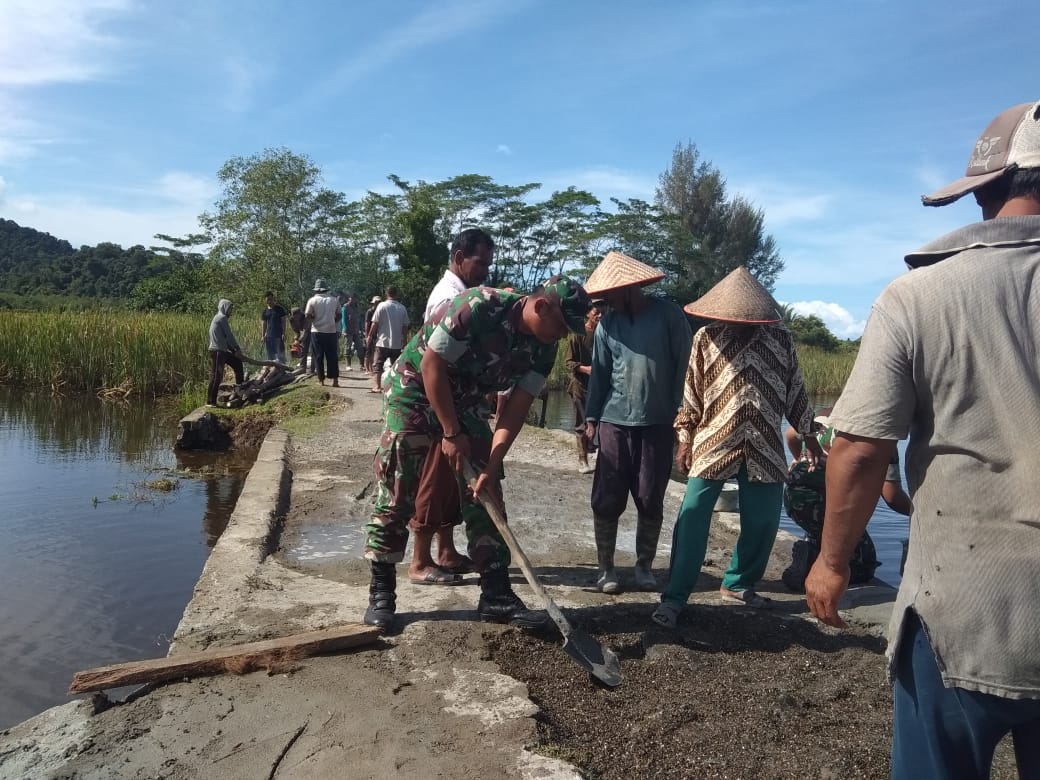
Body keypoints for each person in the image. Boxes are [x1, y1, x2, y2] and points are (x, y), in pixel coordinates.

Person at [804, 101, 1040, 779]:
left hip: (961, 612)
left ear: (989, 189)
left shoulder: (920, 295)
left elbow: (859, 446)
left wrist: (832, 562)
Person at [362, 277, 592, 632]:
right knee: (398, 486)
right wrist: (451, 433)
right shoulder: (479, 307)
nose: (563, 336)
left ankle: (496, 594)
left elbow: (515, 409)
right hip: (416, 389)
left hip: (467, 398)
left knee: (487, 490)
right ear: (541, 306)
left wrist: (493, 463)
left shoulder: (545, 347)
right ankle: (381, 591)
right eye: (562, 325)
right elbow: (431, 367)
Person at [651, 266, 822, 629]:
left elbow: (795, 393)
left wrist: (809, 439)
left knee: (762, 521)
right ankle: (675, 595)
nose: (740, 321)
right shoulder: (706, 338)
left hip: (765, 444)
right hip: (715, 438)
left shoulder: (781, 341)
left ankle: (738, 584)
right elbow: (692, 396)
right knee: (693, 514)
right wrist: (684, 440)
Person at [583, 251, 692, 594]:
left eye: (611, 295)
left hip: (658, 422)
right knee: (607, 496)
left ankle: (644, 566)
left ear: (630, 288)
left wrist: (683, 414)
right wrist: (591, 418)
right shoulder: (608, 324)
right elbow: (599, 374)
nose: (605, 303)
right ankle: (606, 568)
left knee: (649, 495)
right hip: (614, 421)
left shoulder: (668, 316)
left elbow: (684, 367)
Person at [406, 228, 495, 585]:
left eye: (489, 263)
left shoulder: (463, 294)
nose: (485, 270)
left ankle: (445, 550)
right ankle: (419, 560)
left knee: (450, 482)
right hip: (437, 406)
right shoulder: (448, 298)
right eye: (480, 262)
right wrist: (449, 426)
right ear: (459, 258)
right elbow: (436, 365)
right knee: (434, 479)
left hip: (457, 403)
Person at [781, 412, 911, 591]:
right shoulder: (881, 437)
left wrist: (799, 459)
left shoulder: (824, 415)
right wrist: (921, 513)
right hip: (822, 505)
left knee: (827, 532)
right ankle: (811, 561)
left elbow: (790, 434)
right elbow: (892, 497)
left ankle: (813, 548)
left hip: (792, 496)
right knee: (864, 564)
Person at [564, 303, 602, 474]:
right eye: (596, 313)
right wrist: (585, 369)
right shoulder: (577, 334)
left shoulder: (603, 334)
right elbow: (568, 362)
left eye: (602, 313)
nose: (600, 316)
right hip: (580, 385)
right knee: (581, 423)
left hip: (598, 386)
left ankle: (591, 450)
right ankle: (582, 459)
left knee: (596, 422)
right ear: (588, 314)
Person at [368, 286, 409, 393]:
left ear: (386, 293)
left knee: (378, 364)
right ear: (397, 294)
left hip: (383, 341)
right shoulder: (402, 308)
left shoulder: (382, 306)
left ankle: (377, 386)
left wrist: (369, 336)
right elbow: (405, 327)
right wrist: (404, 341)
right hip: (396, 342)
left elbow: (375, 323)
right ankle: (394, 388)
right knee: (396, 366)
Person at [206, 298, 244, 407]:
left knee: (237, 363)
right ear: (224, 308)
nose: (230, 311)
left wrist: (233, 351)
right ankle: (211, 401)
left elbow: (224, 339)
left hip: (222, 350)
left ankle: (240, 389)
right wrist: (237, 348)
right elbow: (229, 336)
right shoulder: (221, 318)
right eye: (229, 309)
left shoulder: (220, 318)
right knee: (216, 376)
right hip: (217, 351)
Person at [305, 279, 341, 387]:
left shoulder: (312, 300)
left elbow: (307, 315)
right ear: (326, 289)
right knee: (332, 356)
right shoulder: (334, 300)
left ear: (316, 290)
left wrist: (315, 319)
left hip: (317, 331)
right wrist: (332, 321)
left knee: (318, 356)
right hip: (331, 331)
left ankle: (321, 380)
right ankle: (335, 380)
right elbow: (339, 315)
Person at [260, 291, 287, 364]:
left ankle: (283, 370)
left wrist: (284, 333)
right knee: (271, 356)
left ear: (273, 299)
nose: (269, 301)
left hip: (278, 335)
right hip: (269, 336)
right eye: (267, 300)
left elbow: (284, 321)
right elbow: (264, 324)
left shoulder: (279, 309)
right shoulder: (265, 311)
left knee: (280, 355)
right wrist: (263, 336)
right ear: (265, 300)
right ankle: (272, 370)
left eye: (270, 299)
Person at [341, 294, 364, 371]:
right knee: (348, 347)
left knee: (360, 347)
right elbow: (343, 319)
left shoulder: (357, 307)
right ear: (349, 298)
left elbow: (360, 319)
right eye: (352, 298)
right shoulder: (345, 307)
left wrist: (361, 329)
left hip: (356, 330)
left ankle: (362, 365)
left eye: (354, 298)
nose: (353, 300)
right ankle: (348, 365)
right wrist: (345, 329)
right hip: (348, 331)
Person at [288, 306, 310, 372]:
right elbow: (296, 331)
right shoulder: (291, 320)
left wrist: (299, 341)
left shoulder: (306, 318)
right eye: (294, 316)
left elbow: (305, 331)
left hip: (312, 331)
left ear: (300, 314)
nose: (295, 318)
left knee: (312, 349)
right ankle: (302, 367)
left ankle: (313, 368)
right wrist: (296, 339)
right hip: (303, 333)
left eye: (297, 316)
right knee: (302, 350)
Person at [363, 295, 380, 373]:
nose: (377, 304)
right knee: (368, 351)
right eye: (376, 302)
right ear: (374, 303)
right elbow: (367, 323)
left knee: (374, 351)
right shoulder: (369, 311)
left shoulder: (380, 311)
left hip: (378, 333)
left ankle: (371, 368)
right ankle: (367, 368)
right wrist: (367, 335)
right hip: (370, 333)